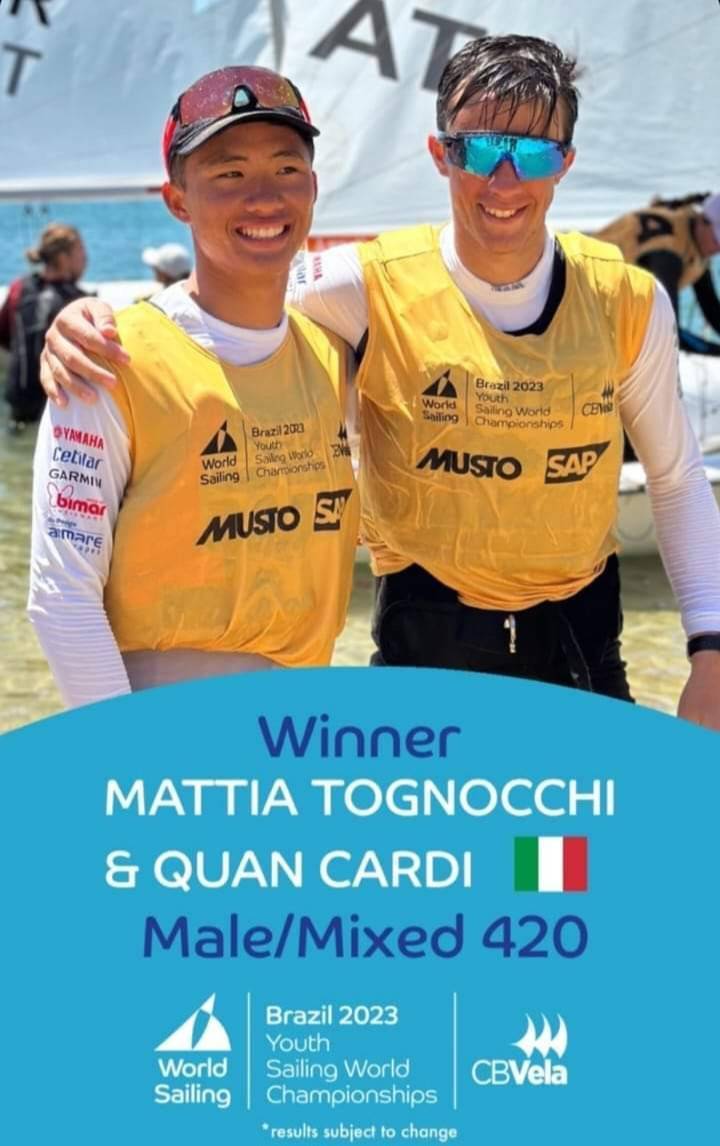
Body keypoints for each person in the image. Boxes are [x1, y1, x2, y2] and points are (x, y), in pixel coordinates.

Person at [38, 36, 720, 728]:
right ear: (441, 153)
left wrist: (711, 651)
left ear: (566, 162)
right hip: (425, 642)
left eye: (535, 153)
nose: (505, 179)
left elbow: (676, 478)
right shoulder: (357, 286)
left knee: (600, 809)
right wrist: (80, 319)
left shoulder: (626, 299)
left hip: (579, 643)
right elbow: (217, 310)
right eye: (481, 149)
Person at [27, 66, 358, 709]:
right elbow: (61, 595)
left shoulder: (330, 350)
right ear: (178, 200)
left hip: (296, 726)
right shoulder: (107, 360)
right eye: (229, 174)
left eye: (286, 169)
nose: (264, 198)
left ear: (313, 189)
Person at [594, 192, 720, 355]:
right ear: (703, 221)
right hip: (582, 300)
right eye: (717, 240)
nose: (717, 249)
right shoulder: (667, 254)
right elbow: (668, 332)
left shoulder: (693, 238)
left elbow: (712, 309)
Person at [0, 223, 87, 430]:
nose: (85, 258)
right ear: (64, 259)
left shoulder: (18, 289)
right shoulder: (78, 303)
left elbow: (3, 336)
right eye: (81, 251)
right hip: (56, 408)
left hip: (18, 401)